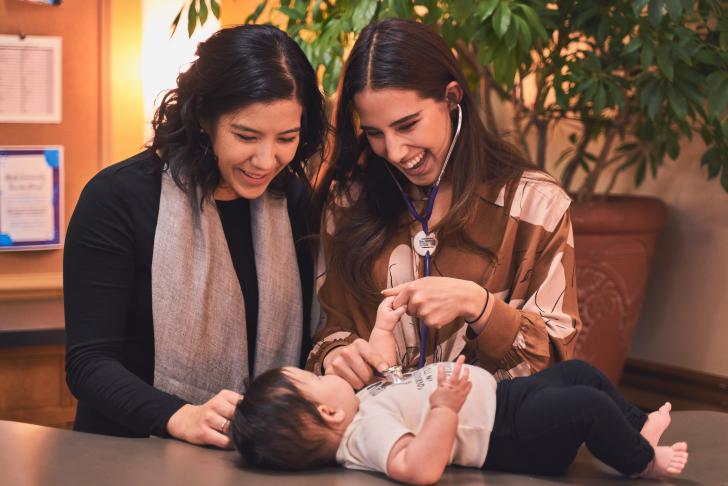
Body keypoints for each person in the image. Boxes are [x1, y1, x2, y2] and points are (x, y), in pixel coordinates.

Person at [63, 24, 327, 448]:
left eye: (287, 138)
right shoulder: (117, 198)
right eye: (246, 136)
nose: (266, 159)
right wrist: (178, 416)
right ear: (204, 116)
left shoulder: (294, 200)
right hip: (126, 456)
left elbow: (311, 341)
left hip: (260, 459)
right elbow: (89, 364)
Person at [307, 17, 581, 387]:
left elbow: (557, 358)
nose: (394, 151)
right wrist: (336, 357)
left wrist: (480, 306)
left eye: (407, 125)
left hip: (496, 432)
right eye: (375, 133)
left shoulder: (536, 206)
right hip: (378, 433)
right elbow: (327, 327)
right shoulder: (348, 203)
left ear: (452, 98)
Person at [232, 297, 689, 484]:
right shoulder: (364, 437)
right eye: (313, 379)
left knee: (580, 374)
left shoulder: (358, 407)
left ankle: (638, 427)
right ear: (327, 414)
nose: (323, 373)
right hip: (509, 437)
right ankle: (642, 462)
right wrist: (444, 409)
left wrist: (383, 327)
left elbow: (386, 370)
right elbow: (419, 468)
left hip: (505, 401)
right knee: (584, 404)